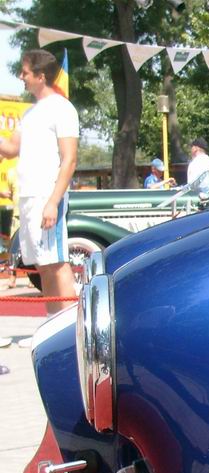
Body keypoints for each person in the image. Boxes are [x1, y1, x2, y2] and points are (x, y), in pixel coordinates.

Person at [0, 49, 77, 315]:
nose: (21, 77)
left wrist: (53, 202)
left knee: (56, 262)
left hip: (47, 195)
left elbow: (70, 159)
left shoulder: (62, 108)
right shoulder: (31, 113)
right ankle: (54, 322)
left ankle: (71, 325)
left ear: (40, 76)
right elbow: (11, 148)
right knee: (42, 264)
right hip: (29, 197)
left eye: (25, 73)